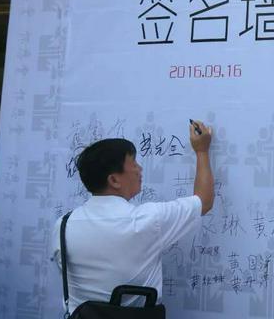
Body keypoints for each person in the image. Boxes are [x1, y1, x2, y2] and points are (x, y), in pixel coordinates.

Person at [51, 121, 214, 314]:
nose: (140, 169)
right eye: (133, 163)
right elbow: (203, 201)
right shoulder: (147, 220)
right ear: (114, 180)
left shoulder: (63, 225)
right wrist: (202, 151)